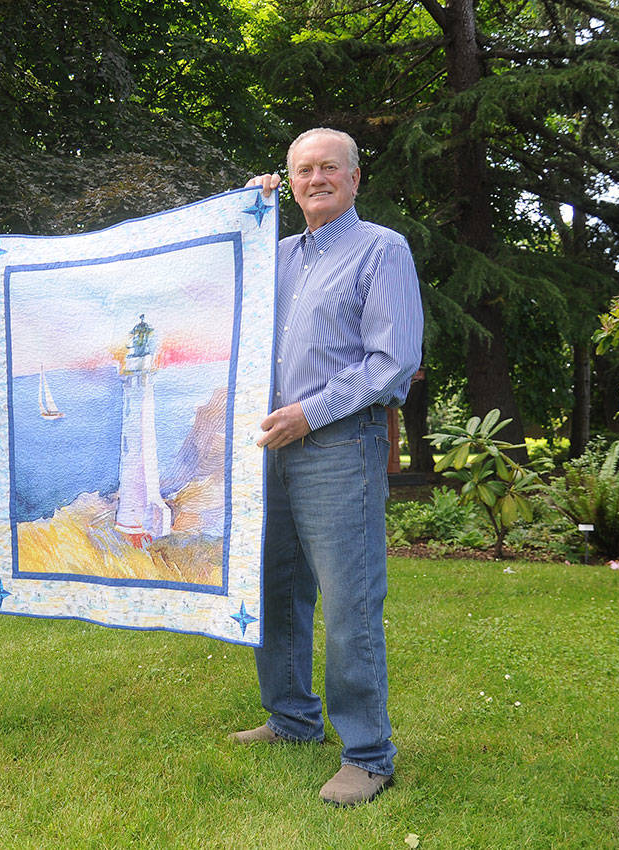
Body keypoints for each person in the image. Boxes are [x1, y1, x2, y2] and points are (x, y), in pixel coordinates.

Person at [230, 129, 423, 806]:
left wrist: (309, 414)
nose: (316, 179)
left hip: (340, 446)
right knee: (275, 590)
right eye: (303, 170)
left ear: (355, 177)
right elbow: (217, 289)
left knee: (349, 602)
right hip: (269, 449)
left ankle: (368, 755)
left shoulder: (382, 250)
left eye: (329, 168)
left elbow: (392, 362)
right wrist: (245, 216)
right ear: (290, 181)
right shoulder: (275, 256)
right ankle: (291, 719)